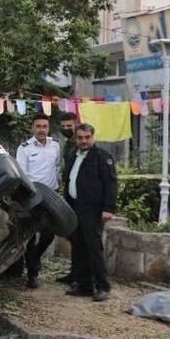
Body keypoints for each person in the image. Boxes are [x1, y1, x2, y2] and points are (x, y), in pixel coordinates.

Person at [63, 123, 117, 302]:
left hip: (93, 210)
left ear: (93, 137)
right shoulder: (73, 155)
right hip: (75, 208)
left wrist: (108, 208)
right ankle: (84, 285)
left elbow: (110, 184)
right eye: (80, 138)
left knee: (93, 248)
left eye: (87, 137)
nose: (83, 141)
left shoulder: (102, 157)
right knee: (78, 247)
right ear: (75, 138)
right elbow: (69, 179)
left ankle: (102, 286)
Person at [16, 114, 62, 289]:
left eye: (45, 126)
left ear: (48, 128)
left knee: (49, 234)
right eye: (38, 126)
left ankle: (34, 259)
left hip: (52, 196)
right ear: (32, 128)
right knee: (30, 235)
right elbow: (21, 174)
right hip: (32, 196)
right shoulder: (24, 148)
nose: (42, 129)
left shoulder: (55, 146)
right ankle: (32, 274)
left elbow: (57, 167)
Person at [54, 112, 80, 285]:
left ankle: (81, 275)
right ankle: (74, 273)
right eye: (63, 126)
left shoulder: (80, 142)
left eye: (68, 126)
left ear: (75, 123)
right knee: (73, 236)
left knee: (80, 238)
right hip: (69, 193)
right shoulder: (67, 144)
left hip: (80, 196)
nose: (65, 129)